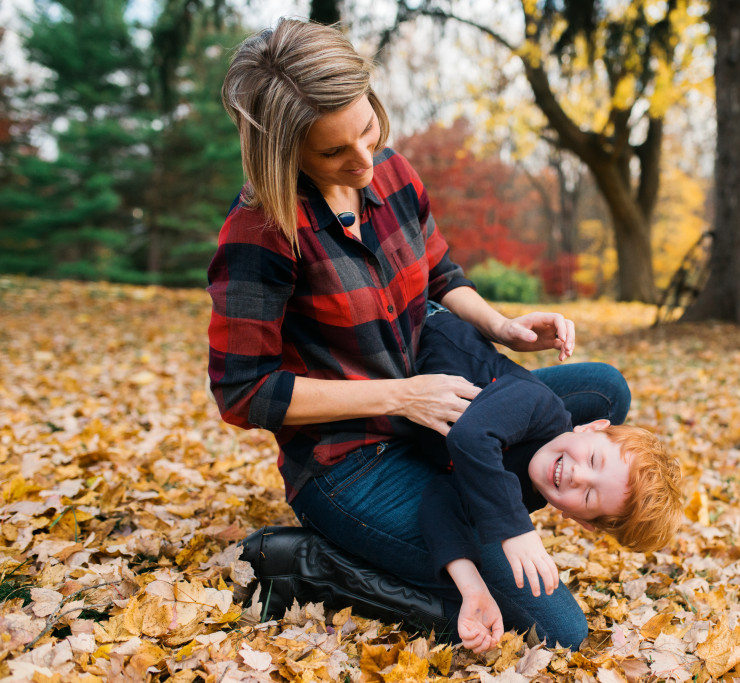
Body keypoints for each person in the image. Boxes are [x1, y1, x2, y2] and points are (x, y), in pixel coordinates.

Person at [208, 19, 631, 650]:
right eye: (332, 153)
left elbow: (437, 271)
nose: (362, 163)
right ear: (281, 151)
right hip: (354, 461)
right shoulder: (262, 232)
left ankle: (473, 497)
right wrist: (401, 396)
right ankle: (313, 565)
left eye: (368, 130)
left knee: (603, 391)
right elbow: (244, 394)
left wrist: (500, 327)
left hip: (436, 418)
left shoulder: (392, 173)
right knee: (556, 629)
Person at [413, 307, 684, 652]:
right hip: (423, 332)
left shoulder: (525, 496)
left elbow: (441, 499)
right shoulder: (539, 405)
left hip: (405, 424)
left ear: (581, 521)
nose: (577, 474)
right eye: (594, 458)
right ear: (592, 425)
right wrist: (514, 530)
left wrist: (473, 588)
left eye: (588, 497)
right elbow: (471, 437)